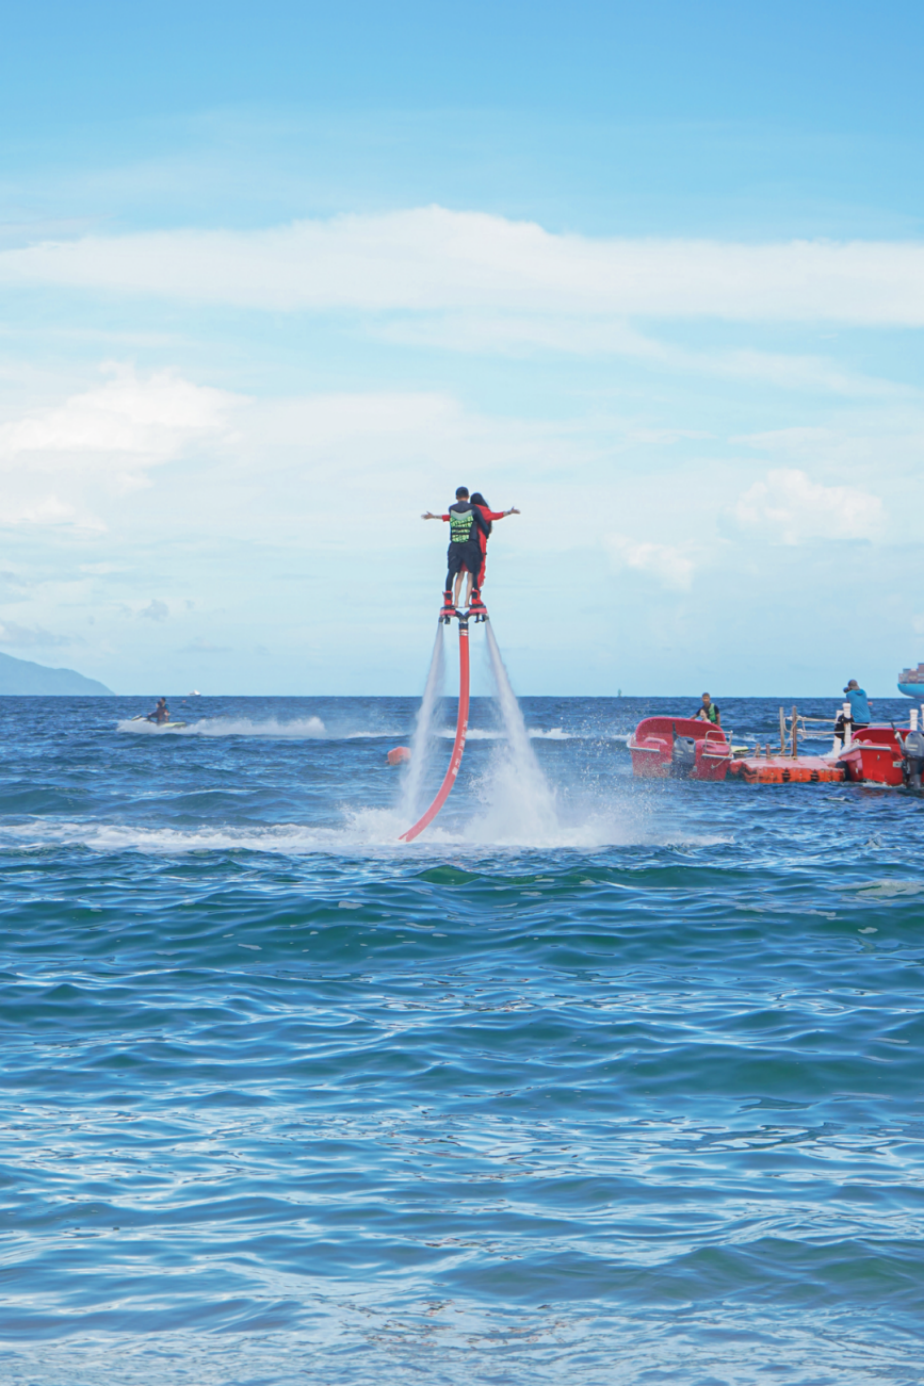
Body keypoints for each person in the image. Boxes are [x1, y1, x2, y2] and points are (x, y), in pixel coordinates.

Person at [422, 486, 489, 614]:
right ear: (468, 497)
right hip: (470, 544)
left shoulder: (451, 509)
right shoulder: (473, 508)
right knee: (474, 570)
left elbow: (449, 518)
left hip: (455, 545)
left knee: (452, 572)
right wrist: (485, 535)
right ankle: (475, 598)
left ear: (456, 497)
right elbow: (483, 525)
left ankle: (448, 599)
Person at [468, 491, 519, 594]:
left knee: (467, 569)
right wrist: (509, 512)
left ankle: (456, 597)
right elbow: (496, 515)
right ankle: (475, 594)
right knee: (480, 567)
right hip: (480, 541)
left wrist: (435, 516)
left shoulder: (467, 510)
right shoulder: (484, 511)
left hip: (466, 541)